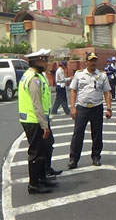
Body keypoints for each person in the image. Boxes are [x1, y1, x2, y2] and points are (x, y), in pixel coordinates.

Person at [19, 48, 60, 194]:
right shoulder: (34, 79)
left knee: (43, 149)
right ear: (38, 61)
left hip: (34, 119)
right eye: (45, 60)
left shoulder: (31, 75)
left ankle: (42, 179)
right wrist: (45, 126)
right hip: (34, 120)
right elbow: (36, 105)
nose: (47, 63)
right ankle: (34, 184)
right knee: (36, 153)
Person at [67, 52, 112, 169]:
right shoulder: (79, 75)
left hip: (97, 107)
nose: (93, 63)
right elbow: (73, 90)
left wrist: (109, 108)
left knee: (97, 134)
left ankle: (96, 157)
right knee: (78, 134)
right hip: (82, 108)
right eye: (90, 60)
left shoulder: (102, 75)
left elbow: (107, 92)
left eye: (94, 60)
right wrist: (72, 107)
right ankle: (73, 159)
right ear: (86, 62)